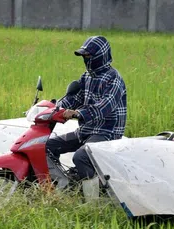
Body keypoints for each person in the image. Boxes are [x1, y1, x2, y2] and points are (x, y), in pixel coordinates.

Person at [45, 35, 127, 188]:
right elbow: (74, 98)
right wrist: (54, 107)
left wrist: (77, 113)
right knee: (47, 146)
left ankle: (93, 201)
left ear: (100, 56)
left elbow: (104, 107)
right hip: (86, 130)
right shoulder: (87, 77)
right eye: (84, 56)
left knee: (82, 156)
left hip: (106, 132)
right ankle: (65, 185)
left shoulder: (113, 79)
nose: (86, 59)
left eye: (88, 55)